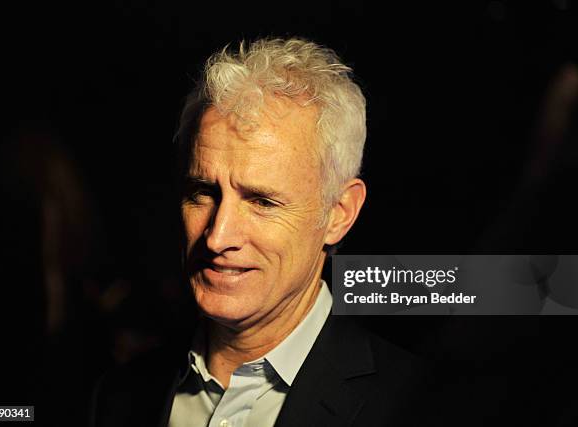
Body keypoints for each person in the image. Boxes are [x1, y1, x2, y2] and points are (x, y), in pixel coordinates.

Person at [90, 37, 428, 427]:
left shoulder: (420, 405)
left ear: (339, 213)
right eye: (204, 192)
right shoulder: (119, 396)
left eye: (262, 202)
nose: (217, 237)